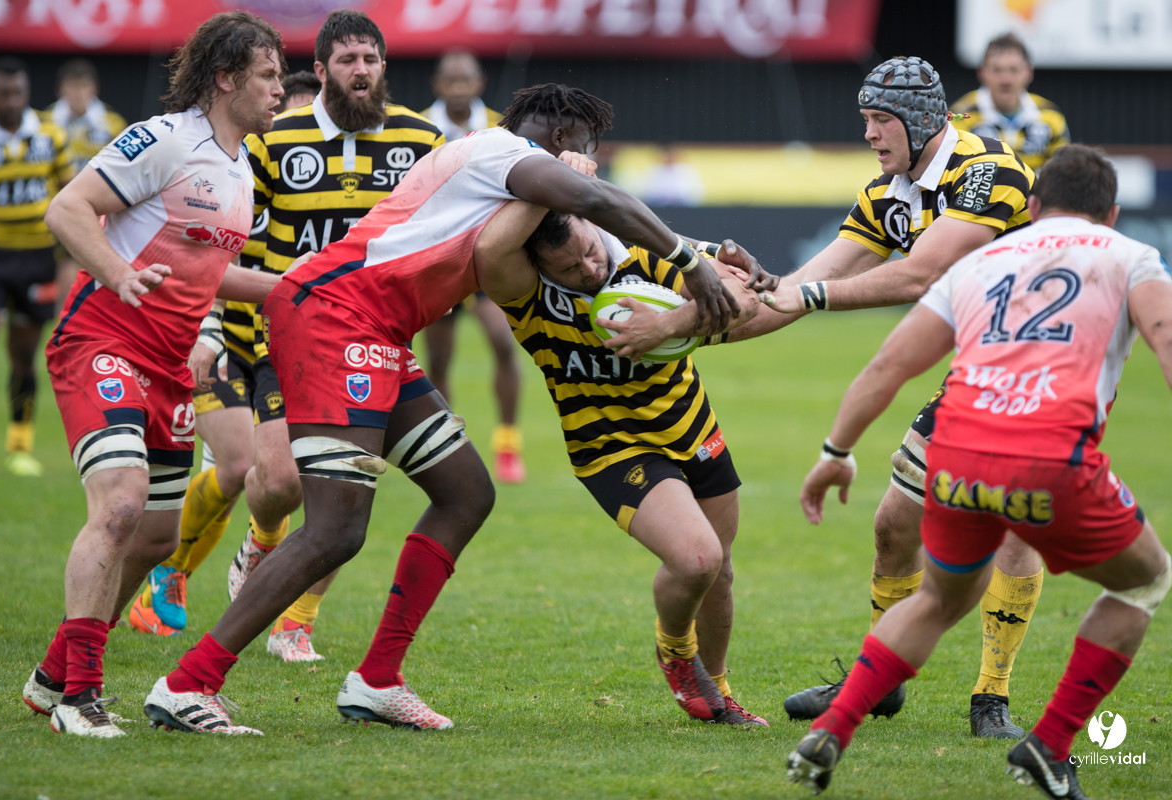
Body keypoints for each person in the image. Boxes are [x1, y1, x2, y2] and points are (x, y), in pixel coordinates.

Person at [142, 82, 763, 735]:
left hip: (376, 332)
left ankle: (378, 679)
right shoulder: (502, 153)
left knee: (465, 492)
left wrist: (711, 253)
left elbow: (582, 220)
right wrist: (688, 262)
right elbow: (594, 200)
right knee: (335, 530)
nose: (586, 164)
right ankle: (189, 684)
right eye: (583, 151)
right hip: (338, 320)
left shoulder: (500, 179)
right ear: (555, 143)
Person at [785, 143, 1172, 800]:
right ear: (1110, 214)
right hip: (1050, 457)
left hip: (957, 454)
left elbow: (889, 365)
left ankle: (834, 727)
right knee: (1144, 582)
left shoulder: (982, 261)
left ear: (1033, 206)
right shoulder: (1130, 256)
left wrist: (834, 452)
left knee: (937, 599)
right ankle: (1049, 745)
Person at [130, 12, 445, 664]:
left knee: (342, 483)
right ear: (323, 69)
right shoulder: (274, 140)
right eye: (349, 59)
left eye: (371, 58)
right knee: (263, 477)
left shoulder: (421, 140)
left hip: (363, 340)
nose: (362, 70)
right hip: (264, 332)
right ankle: (195, 561)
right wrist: (207, 323)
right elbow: (222, 232)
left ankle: (294, 619)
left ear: (385, 66)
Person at [747, 56, 1043, 737]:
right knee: (893, 526)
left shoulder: (986, 170)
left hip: (1038, 371)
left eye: (881, 120)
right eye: (866, 119)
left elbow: (920, 274)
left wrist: (804, 295)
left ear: (920, 120)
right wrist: (686, 325)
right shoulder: (887, 193)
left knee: (1013, 524)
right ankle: (881, 682)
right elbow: (798, 285)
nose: (869, 134)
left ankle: (991, 699)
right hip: (974, 368)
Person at [19, 10, 289, 738]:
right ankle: (80, 697)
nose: (279, 89)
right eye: (267, 75)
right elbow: (67, 209)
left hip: (170, 365)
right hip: (101, 339)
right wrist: (118, 275)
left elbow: (208, 271)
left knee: (157, 538)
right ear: (224, 77)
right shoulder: (165, 139)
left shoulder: (241, 169)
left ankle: (53, 673)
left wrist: (295, 289)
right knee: (121, 505)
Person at [475, 203, 769, 724]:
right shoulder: (526, 292)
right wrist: (548, 181)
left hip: (692, 427)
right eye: (569, 267)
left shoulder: (648, 253)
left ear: (593, 225)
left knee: (719, 572)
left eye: (590, 251)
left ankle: (719, 693)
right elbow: (488, 247)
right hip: (610, 447)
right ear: (539, 265)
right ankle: (675, 651)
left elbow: (744, 299)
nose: (589, 269)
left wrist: (665, 325)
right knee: (697, 560)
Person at [126, 68, 323, 641]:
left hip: (283, 347)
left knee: (281, 478)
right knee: (236, 467)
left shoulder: (323, 191)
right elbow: (200, 260)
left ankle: (254, 549)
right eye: (289, 116)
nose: (296, 130)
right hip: (224, 339)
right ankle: (170, 572)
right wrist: (206, 331)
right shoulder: (231, 173)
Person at [421, 49, 527, 484]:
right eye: (451, 81)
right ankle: (446, 448)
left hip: (486, 257)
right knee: (438, 359)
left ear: (479, 82)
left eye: (465, 80)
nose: (459, 88)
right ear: (438, 85)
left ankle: (508, 445)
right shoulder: (420, 128)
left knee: (503, 343)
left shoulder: (502, 128)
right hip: (438, 260)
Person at [0, 57, 73, 477]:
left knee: (24, 353)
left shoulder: (50, 134)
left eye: (19, 93)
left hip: (37, 258)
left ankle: (20, 445)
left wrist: (70, 254)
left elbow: (69, 192)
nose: (12, 101)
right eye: (4, 93)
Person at [44, 58, 128, 307]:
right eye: (72, 87)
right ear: (61, 89)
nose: (78, 94)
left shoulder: (113, 124)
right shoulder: (45, 122)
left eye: (83, 87)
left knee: (79, 265)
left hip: (96, 210)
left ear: (94, 89)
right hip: (52, 207)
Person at [949, 33, 1069, 173]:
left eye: (1014, 70)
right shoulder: (959, 115)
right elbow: (951, 171)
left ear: (1029, 72)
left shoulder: (1051, 114)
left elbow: (1061, 172)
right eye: (997, 70)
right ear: (982, 72)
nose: (1006, 79)